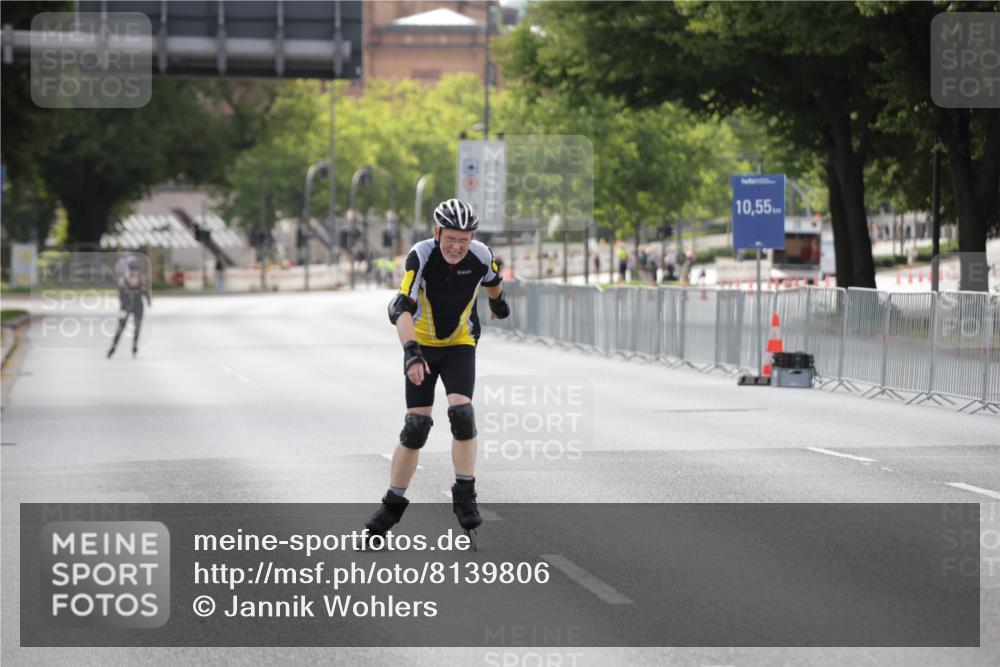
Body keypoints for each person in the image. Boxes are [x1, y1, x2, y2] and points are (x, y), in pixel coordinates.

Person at [365, 198, 509, 547]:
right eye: (451, 239)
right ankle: (392, 505)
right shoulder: (421, 255)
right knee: (416, 426)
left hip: (460, 343)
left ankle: (465, 492)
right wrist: (411, 354)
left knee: (462, 413)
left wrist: (497, 302)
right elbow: (401, 306)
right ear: (437, 233)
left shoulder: (480, 254)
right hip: (423, 344)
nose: (457, 247)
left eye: (464, 239)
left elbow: (493, 279)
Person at [107, 258, 151, 359]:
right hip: (126, 306)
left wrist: (148, 300)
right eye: (132, 269)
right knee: (120, 328)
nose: (134, 271)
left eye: (136, 269)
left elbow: (145, 291)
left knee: (137, 326)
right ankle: (113, 348)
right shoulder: (123, 280)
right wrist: (124, 305)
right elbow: (120, 295)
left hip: (138, 306)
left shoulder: (141, 279)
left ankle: (134, 347)